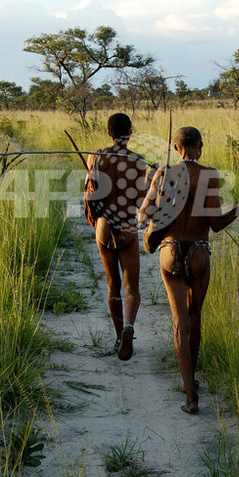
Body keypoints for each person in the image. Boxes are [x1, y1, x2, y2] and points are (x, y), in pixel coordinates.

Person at [139, 126, 239, 414]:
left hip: (169, 251)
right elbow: (217, 224)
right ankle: (190, 380)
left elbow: (142, 216)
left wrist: (156, 191)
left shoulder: (163, 174)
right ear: (201, 146)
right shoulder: (209, 175)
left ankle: (190, 396)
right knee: (195, 316)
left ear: (175, 146)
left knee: (179, 322)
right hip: (198, 252)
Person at [85, 113, 155, 361]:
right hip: (126, 225)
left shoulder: (96, 156)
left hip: (104, 225)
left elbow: (90, 195)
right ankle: (129, 327)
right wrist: (152, 177)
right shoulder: (138, 161)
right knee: (132, 287)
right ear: (131, 132)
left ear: (108, 133)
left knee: (112, 283)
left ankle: (117, 338)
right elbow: (141, 200)